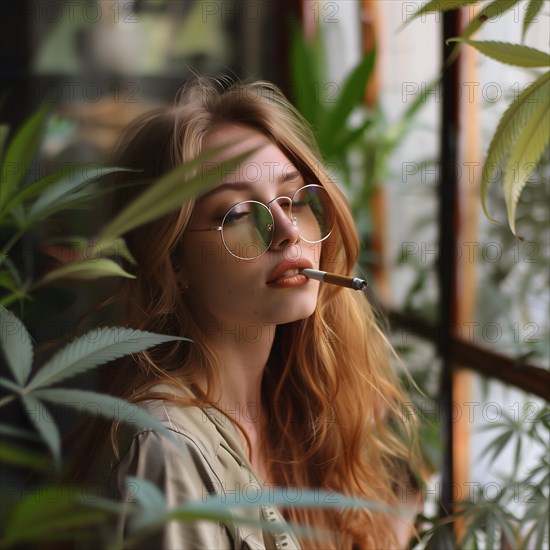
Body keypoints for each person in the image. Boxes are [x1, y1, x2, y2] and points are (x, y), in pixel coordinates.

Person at [75, 78, 422, 549]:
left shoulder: (302, 409)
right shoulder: (165, 452)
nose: (285, 231)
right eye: (237, 213)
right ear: (171, 261)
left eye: (296, 200)